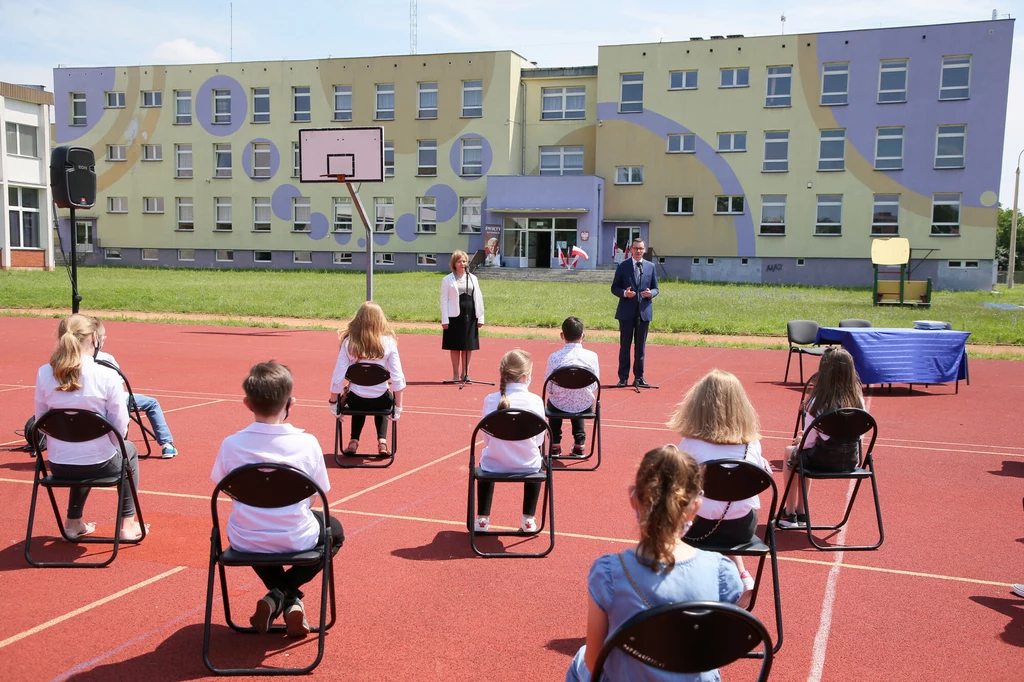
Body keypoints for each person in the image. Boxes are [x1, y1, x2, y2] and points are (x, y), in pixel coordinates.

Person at [565, 445, 743, 682]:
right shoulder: (721, 572)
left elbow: (594, 660)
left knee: (580, 658)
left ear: (633, 499)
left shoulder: (607, 573)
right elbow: (717, 649)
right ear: (695, 508)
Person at [212, 361, 343, 638]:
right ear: (291, 402)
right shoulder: (307, 443)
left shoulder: (230, 444)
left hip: (246, 538)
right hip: (296, 537)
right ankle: (287, 595)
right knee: (335, 531)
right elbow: (317, 496)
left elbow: (225, 489)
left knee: (257, 530)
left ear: (247, 403)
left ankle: (278, 596)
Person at [33, 314, 146, 541]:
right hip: (100, 464)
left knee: (81, 452)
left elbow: (40, 420)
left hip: (58, 465)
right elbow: (120, 424)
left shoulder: (45, 372)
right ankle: (127, 524)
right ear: (95, 338)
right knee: (128, 450)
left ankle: (73, 522)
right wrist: (109, 445)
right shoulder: (106, 374)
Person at [667, 369, 773, 607]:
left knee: (680, 510)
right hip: (741, 528)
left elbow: (678, 487)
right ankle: (742, 576)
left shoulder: (691, 444)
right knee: (727, 501)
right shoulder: (751, 445)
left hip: (699, 529)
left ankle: (679, 590)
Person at [779, 347, 866, 529]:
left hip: (823, 459)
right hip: (850, 460)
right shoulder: (857, 400)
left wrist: (802, 439)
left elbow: (809, 443)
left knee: (792, 452)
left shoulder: (817, 401)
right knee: (803, 454)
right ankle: (802, 511)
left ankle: (790, 512)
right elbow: (858, 433)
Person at [476, 349, 547, 533]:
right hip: (528, 465)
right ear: (526, 376)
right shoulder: (536, 401)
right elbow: (539, 440)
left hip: (494, 464)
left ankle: (482, 520)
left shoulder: (491, 399)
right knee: (537, 461)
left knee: (485, 460)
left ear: (502, 373)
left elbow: (486, 438)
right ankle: (529, 520)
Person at [91, 318, 178, 458]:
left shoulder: (64, 361)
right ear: (98, 340)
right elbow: (119, 388)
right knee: (152, 403)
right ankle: (167, 444)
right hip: (112, 402)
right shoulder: (106, 358)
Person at [329, 302, 406, 457]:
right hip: (381, 400)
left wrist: (333, 403)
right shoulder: (389, 342)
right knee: (384, 399)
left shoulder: (349, 343)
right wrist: (398, 407)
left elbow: (337, 378)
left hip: (356, 400)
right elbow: (398, 379)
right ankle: (382, 442)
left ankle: (353, 441)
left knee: (359, 395)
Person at [544, 316, 600, 456]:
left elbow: (548, 386)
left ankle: (554, 445)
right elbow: (594, 384)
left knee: (554, 401)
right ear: (583, 336)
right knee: (580, 397)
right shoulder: (592, 356)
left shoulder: (554, 357)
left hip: (558, 404)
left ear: (562, 336)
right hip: (584, 404)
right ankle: (579, 445)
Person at [610, 238, 658, 388]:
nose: (638, 251)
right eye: (636, 248)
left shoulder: (650, 267)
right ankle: (623, 378)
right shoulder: (623, 266)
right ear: (631, 249)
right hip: (626, 313)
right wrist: (624, 293)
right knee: (625, 346)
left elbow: (656, 288)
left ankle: (639, 377)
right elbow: (614, 287)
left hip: (643, 312)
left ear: (644, 250)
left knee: (640, 346)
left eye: (641, 249)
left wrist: (651, 293)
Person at [440, 250, 485, 382]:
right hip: (454, 316)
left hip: (470, 316)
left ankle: (465, 374)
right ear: (454, 263)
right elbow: (443, 300)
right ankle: (455, 374)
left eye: (464, 261)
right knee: (455, 346)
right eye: (459, 261)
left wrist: (480, 317)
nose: (462, 263)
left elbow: (479, 298)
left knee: (468, 346)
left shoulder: (473, 278)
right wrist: (445, 319)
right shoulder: (447, 279)